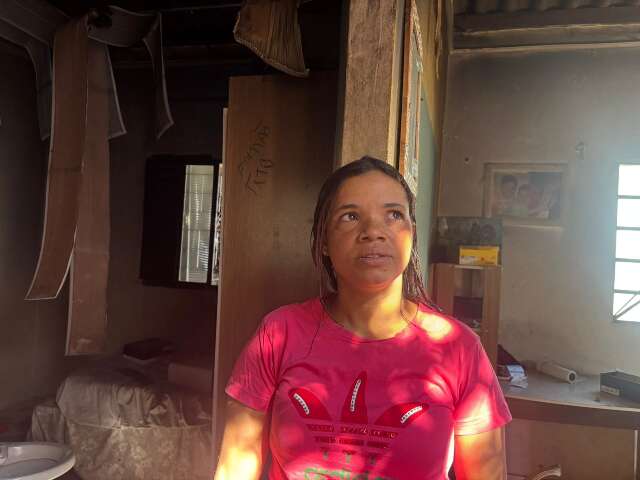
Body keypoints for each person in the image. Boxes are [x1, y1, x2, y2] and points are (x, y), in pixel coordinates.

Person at [214, 156, 511, 480]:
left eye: (393, 214)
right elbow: (235, 467)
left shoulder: (459, 349)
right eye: (351, 216)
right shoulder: (279, 334)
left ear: (411, 234)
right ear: (324, 241)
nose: (373, 232)